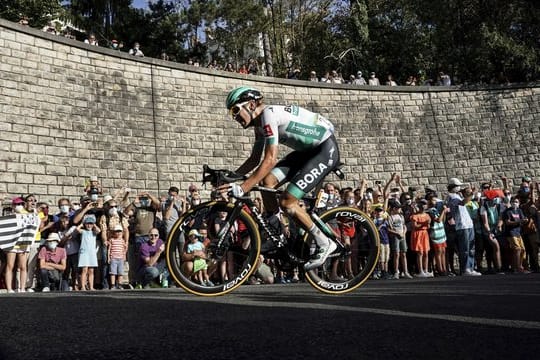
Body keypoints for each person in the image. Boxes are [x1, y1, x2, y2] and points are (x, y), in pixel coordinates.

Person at [223, 86, 341, 271]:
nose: (234, 117)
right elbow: (254, 159)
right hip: (306, 153)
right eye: (232, 113)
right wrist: (229, 177)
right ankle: (276, 228)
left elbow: (270, 159)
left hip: (324, 150)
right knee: (267, 183)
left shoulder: (268, 115)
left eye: (236, 110)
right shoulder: (260, 124)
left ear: (252, 104)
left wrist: (243, 188)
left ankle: (324, 242)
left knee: (287, 201)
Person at [77, 215, 101, 290]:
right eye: (87, 223)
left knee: (91, 270)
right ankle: (83, 286)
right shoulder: (83, 232)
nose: (89, 225)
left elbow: (99, 230)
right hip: (84, 253)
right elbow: (77, 229)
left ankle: (91, 286)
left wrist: (94, 225)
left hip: (92, 253)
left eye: (90, 223)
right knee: (84, 270)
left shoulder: (94, 232)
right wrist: (81, 224)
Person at [108, 224, 127, 289]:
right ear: (114, 232)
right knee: (113, 272)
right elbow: (109, 249)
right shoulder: (112, 240)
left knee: (120, 272)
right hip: (113, 258)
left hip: (121, 258)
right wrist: (108, 257)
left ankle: (120, 284)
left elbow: (124, 250)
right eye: (117, 231)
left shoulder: (122, 240)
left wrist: (124, 257)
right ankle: (113, 285)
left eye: (119, 231)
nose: (118, 233)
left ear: (122, 232)